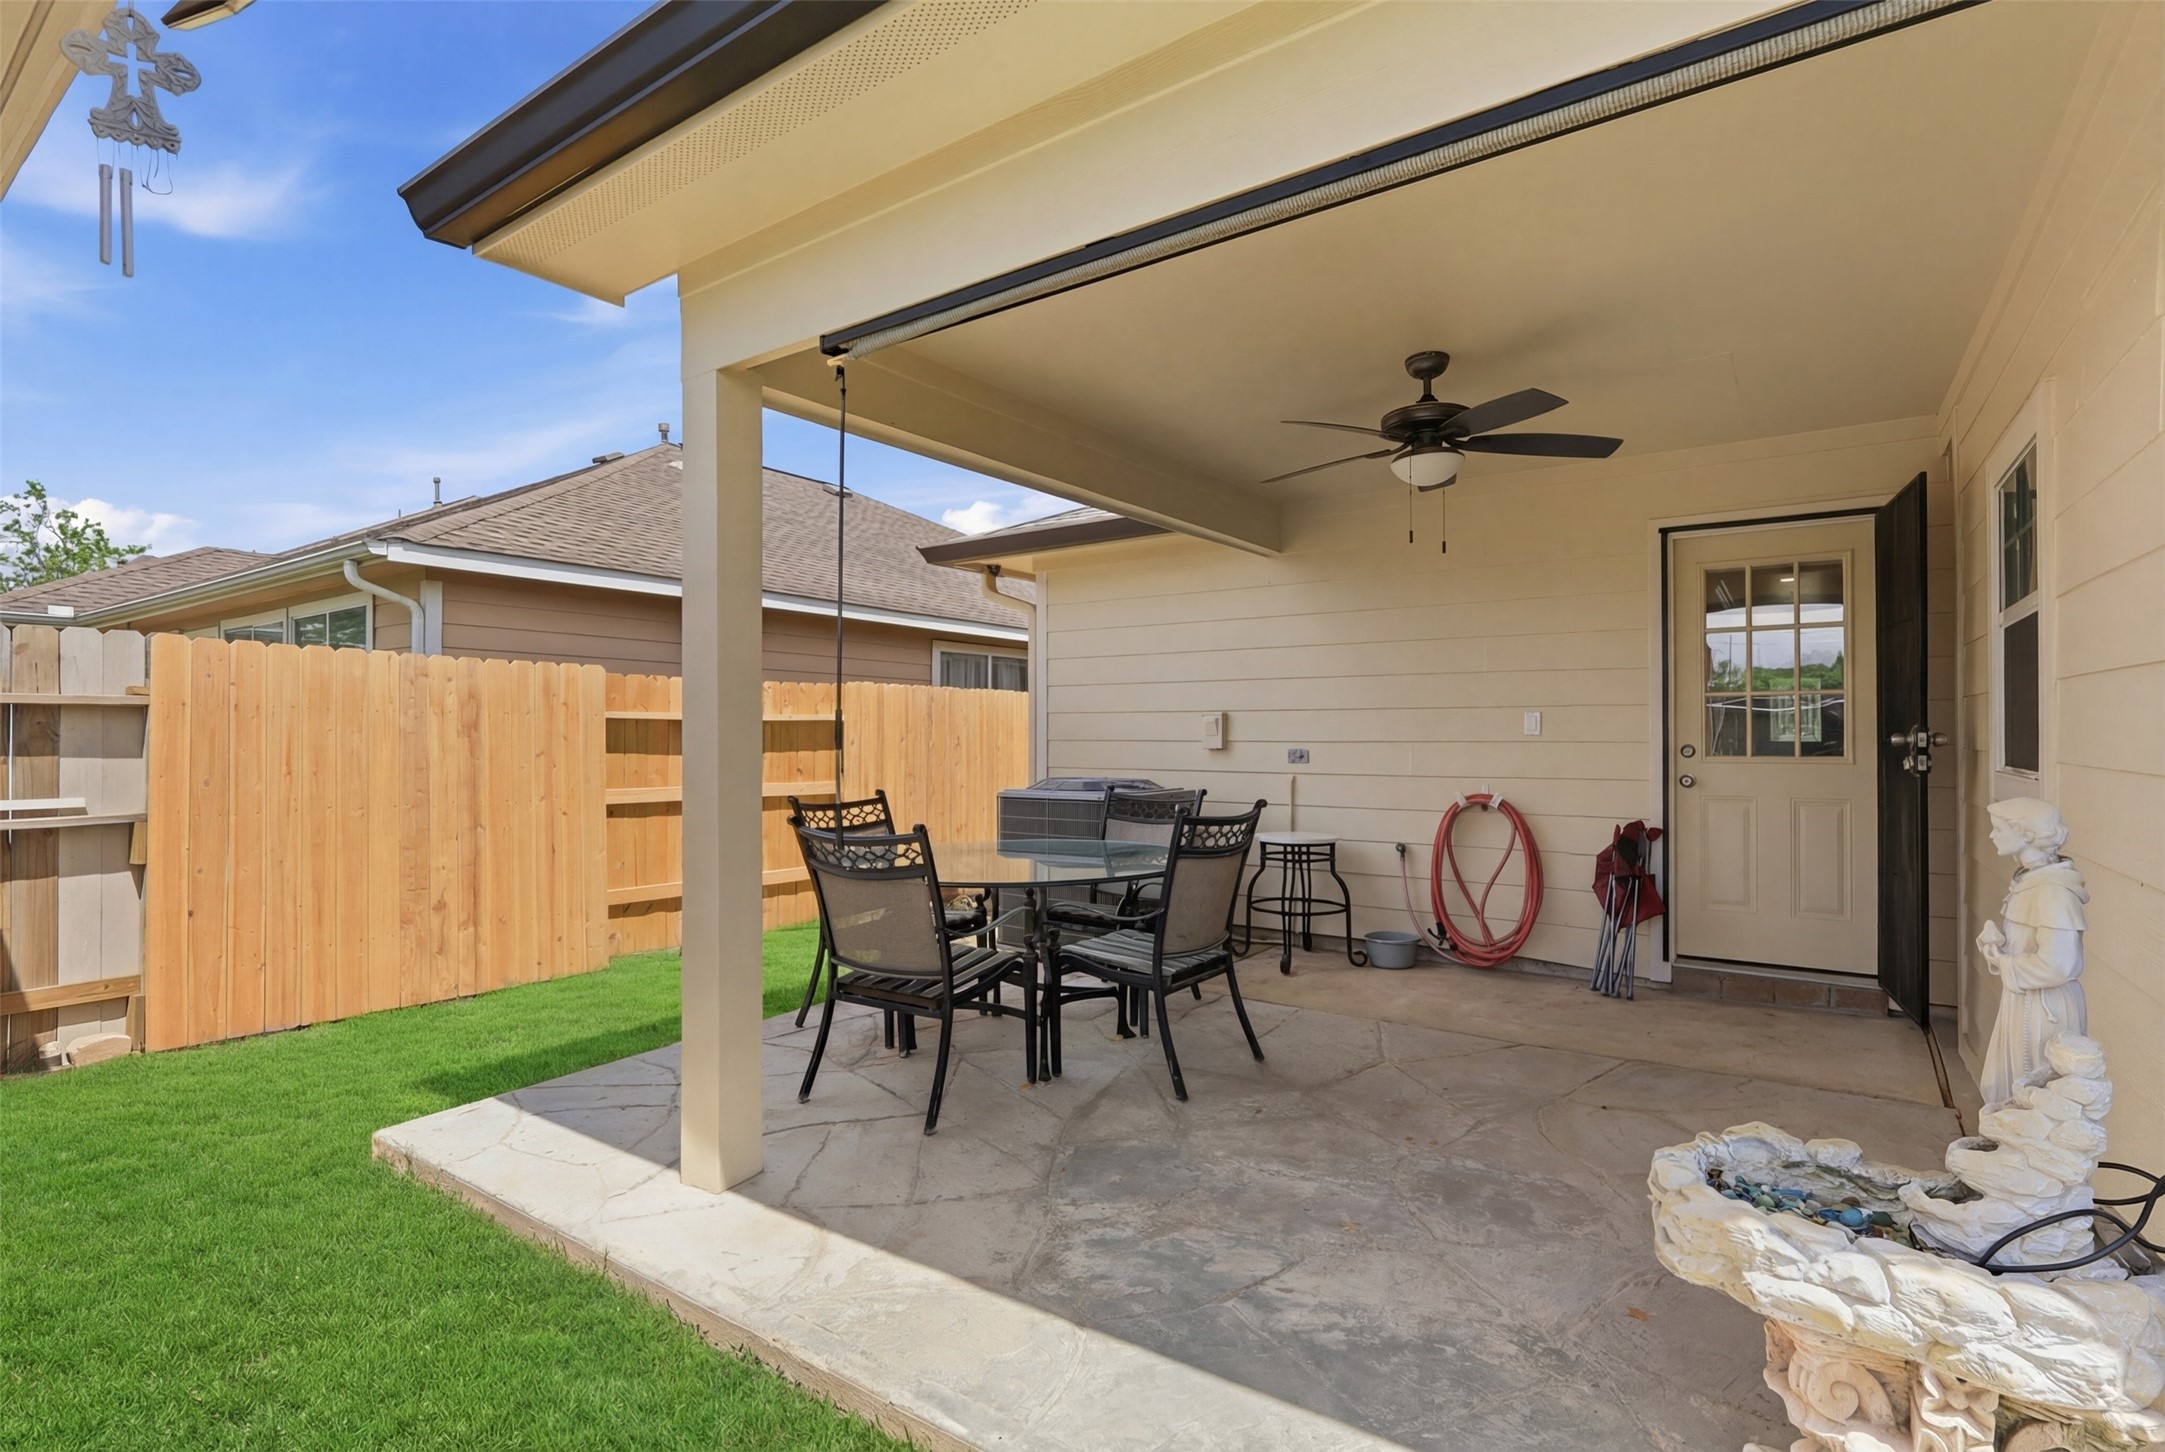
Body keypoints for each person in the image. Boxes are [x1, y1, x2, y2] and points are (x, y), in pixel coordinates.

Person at [1975, 798, 2088, 1107]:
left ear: (2026, 833)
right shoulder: (2031, 880)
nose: (1991, 835)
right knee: (2004, 1086)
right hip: (2024, 999)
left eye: (1998, 828)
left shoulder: (2052, 892)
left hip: (2043, 1009)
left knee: (2032, 1095)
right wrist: (1999, 948)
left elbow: (2058, 965)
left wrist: (2005, 961)